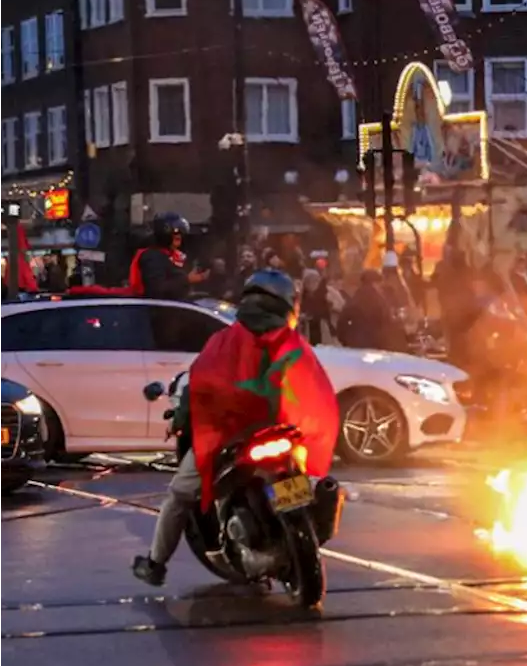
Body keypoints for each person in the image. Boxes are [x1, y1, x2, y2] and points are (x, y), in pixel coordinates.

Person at [132, 269, 339, 587]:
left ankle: (155, 564)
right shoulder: (294, 344)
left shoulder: (224, 341)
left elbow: (199, 387)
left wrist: (181, 420)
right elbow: (315, 392)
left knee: (179, 494)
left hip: (229, 438)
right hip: (283, 434)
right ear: (287, 304)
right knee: (311, 483)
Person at [133, 212, 207, 300]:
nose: (179, 236)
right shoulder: (152, 257)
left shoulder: (172, 255)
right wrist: (187, 280)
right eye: (176, 232)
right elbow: (157, 291)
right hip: (157, 311)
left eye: (181, 232)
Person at [337, 269, 403, 351]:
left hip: (355, 345)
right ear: (375, 283)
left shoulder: (355, 298)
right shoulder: (379, 300)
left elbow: (342, 322)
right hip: (375, 345)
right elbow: (387, 323)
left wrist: (346, 340)